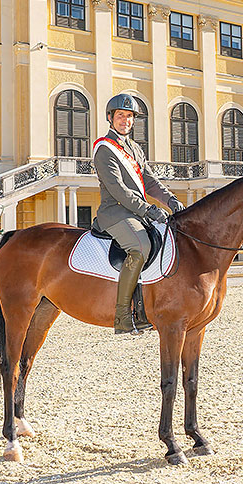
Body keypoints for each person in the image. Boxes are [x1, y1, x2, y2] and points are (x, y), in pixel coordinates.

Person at [93, 94, 184, 335]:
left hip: (136, 213)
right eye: (120, 115)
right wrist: (149, 210)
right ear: (110, 117)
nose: (125, 120)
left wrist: (171, 200)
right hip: (115, 212)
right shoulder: (104, 149)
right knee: (141, 246)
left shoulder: (134, 148)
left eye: (129, 116)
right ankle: (123, 315)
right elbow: (118, 190)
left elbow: (150, 181)